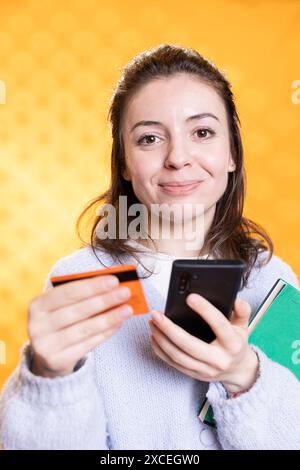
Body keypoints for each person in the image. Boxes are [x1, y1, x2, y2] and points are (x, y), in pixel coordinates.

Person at [0, 44, 299, 450]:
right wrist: (50, 376)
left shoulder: (272, 279)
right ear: (124, 162)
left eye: (203, 132)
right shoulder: (79, 282)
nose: (178, 157)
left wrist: (245, 375)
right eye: (150, 138)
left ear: (231, 152)